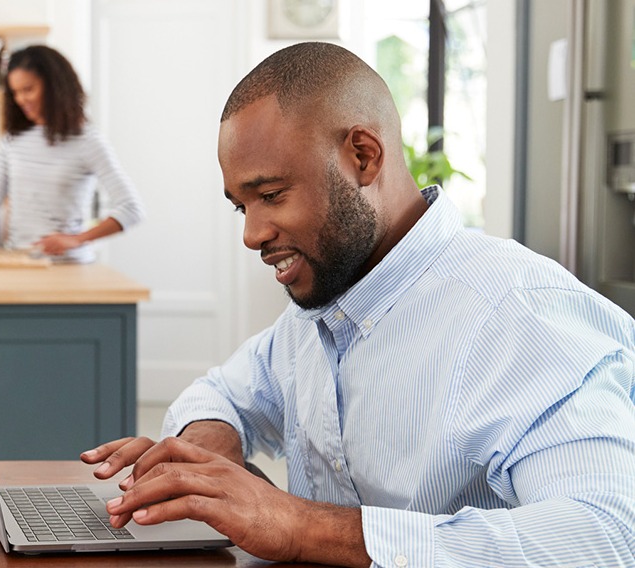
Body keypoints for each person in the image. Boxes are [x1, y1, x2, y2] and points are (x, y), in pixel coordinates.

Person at [81, 42, 635, 566]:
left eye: (271, 195)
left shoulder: (519, 315)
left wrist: (300, 525)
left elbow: (608, 537)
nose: (251, 235)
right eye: (240, 207)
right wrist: (209, 456)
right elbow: (223, 393)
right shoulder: (327, 304)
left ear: (363, 157)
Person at [0, 44, 145, 264]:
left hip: (69, 267)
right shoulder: (13, 141)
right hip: (22, 263)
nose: (21, 99)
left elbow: (131, 208)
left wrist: (78, 239)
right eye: (16, 92)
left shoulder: (87, 141)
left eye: (28, 89)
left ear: (55, 86)